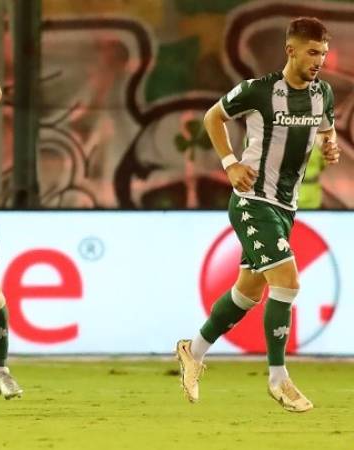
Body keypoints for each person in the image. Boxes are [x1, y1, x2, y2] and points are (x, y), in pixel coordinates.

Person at [176, 17, 339, 412]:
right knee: (287, 282)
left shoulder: (323, 93)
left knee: (247, 293)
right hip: (253, 201)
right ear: (291, 51)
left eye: (323, 53)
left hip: (286, 207)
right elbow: (212, 117)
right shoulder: (259, 91)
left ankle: (192, 351)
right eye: (312, 52)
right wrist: (230, 163)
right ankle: (278, 378)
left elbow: (326, 131)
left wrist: (329, 145)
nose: (319, 60)